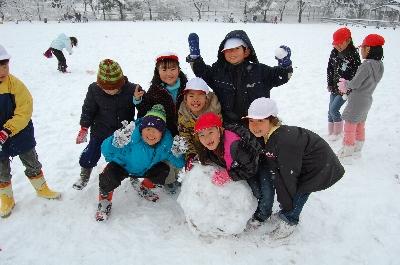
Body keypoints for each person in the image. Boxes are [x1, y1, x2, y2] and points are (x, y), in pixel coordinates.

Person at [243, 97, 345, 239]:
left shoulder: (283, 142)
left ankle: (290, 221)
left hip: (319, 168)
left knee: (299, 192)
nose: (254, 126)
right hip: (307, 164)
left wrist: (287, 204)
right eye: (251, 121)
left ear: (272, 120)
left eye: (261, 120)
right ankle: (287, 212)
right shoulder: (271, 135)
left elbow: (287, 178)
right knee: (293, 191)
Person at [0, 45, 61, 218]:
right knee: (1, 169)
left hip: (20, 134)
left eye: (5, 66)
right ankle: (6, 198)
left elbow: (24, 110)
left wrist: (7, 129)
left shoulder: (15, 85)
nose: (2, 71)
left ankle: (42, 188)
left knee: (31, 161)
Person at [96, 104, 185, 221]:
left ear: (162, 133)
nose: (151, 134)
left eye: (156, 130)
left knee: (163, 171)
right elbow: (105, 150)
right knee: (108, 177)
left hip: (145, 170)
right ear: (142, 129)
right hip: (123, 167)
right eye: (148, 129)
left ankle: (144, 186)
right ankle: (105, 200)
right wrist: (114, 141)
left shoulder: (166, 144)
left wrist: (178, 153)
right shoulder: (130, 137)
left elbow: (179, 164)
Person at [186, 30, 293, 124]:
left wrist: (285, 66)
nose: (231, 53)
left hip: (257, 124)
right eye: (227, 50)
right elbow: (203, 73)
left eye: (236, 48)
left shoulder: (260, 71)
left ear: (246, 51)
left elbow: (281, 77)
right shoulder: (218, 71)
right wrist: (195, 59)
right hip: (228, 124)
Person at [73, 59, 139, 190]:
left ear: (121, 82)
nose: (109, 91)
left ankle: (134, 174)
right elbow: (88, 109)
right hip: (100, 129)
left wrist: (138, 100)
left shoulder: (133, 89)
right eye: (105, 88)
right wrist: (84, 127)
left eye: (113, 88)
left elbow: (143, 108)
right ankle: (84, 174)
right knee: (91, 153)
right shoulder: (94, 89)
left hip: (124, 131)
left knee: (130, 155)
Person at [133, 52, 188, 192]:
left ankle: (178, 177)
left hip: (185, 130)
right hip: (166, 132)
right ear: (157, 71)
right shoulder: (155, 90)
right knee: (167, 157)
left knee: (183, 157)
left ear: (178, 69)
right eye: (164, 69)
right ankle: (167, 180)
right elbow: (146, 112)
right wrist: (139, 101)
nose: (169, 73)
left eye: (172, 69)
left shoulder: (187, 87)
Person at [193, 112, 264, 220]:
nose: (206, 138)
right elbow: (204, 156)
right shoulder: (208, 144)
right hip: (237, 163)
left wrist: (230, 175)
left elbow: (251, 168)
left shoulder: (235, 146)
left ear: (220, 130)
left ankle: (260, 214)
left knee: (259, 193)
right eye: (201, 135)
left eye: (210, 132)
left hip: (257, 163)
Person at [337, 34, 385, 159]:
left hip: (357, 100)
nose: (361, 51)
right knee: (360, 125)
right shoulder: (379, 65)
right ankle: (358, 148)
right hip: (367, 99)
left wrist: (346, 84)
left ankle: (347, 152)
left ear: (368, 49)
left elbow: (355, 83)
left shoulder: (366, 65)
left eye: (362, 48)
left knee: (349, 125)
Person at [177, 77, 221, 171]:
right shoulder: (184, 115)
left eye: (200, 95)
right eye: (191, 96)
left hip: (214, 149)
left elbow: (220, 135)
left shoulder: (214, 112)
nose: (195, 100)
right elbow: (185, 137)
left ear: (206, 97)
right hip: (195, 148)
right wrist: (191, 155)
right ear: (185, 99)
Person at [327, 27, 361, 141]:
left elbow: (356, 75)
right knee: (329, 111)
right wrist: (330, 83)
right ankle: (331, 132)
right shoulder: (334, 52)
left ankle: (337, 134)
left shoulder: (353, 56)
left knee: (334, 109)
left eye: (340, 43)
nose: (337, 46)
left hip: (345, 89)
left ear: (348, 41)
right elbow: (330, 69)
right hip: (334, 87)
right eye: (335, 44)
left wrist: (347, 88)